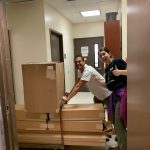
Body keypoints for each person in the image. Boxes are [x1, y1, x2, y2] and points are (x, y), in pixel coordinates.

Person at [98, 47, 127, 150]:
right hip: (113, 96)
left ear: (109, 53)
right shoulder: (107, 69)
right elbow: (109, 85)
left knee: (118, 123)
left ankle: (124, 147)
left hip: (122, 94)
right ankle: (121, 144)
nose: (102, 56)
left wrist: (120, 72)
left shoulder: (117, 61)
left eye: (104, 53)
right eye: (100, 55)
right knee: (115, 122)